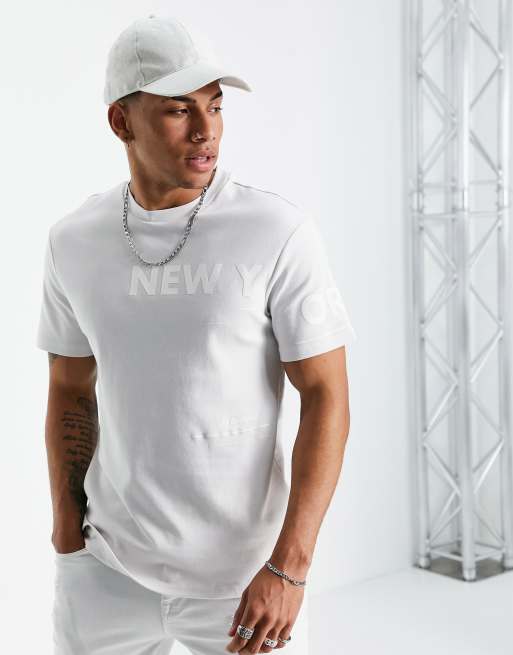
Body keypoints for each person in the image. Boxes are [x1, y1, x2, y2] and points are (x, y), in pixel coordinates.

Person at [36, 13, 357, 655]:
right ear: (121, 122)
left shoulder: (275, 231)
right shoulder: (74, 241)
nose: (206, 130)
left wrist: (289, 568)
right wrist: (68, 534)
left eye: (214, 106)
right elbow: (70, 386)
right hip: (107, 571)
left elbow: (326, 395)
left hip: (245, 582)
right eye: (179, 110)